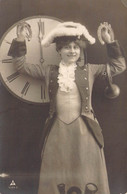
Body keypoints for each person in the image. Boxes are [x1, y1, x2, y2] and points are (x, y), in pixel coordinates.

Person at [8, 21, 126, 194]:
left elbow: (119, 66)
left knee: (87, 172)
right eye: (67, 48)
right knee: (57, 174)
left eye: (76, 47)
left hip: (85, 130)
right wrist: (19, 39)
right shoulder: (49, 71)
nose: (72, 51)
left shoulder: (90, 70)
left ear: (80, 50)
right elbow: (20, 66)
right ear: (59, 50)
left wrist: (110, 41)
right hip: (57, 129)